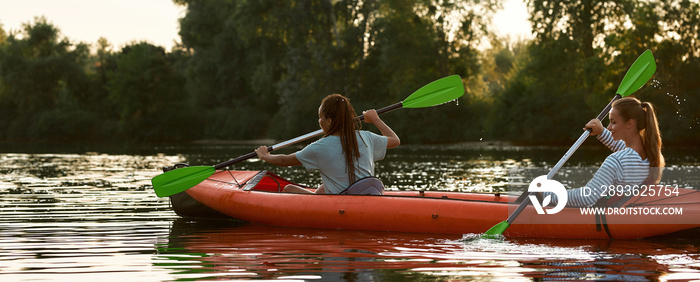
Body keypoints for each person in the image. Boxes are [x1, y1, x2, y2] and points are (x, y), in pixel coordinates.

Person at [254, 94, 400, 194]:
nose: (319, 121)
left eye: (320, 117)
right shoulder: (366, 137)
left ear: (329, 121)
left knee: (288, 189)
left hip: (344, 202)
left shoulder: (319, 147)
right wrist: (375, 119)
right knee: (323, 188)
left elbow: (284, 160)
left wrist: (265, 156)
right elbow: (395, 140)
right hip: (367, 193)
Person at [549, 97, 665, 207]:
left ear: (630, 123)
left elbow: (586, 197)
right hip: (626, 213)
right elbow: (623, 149)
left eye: (613, 122)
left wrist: (548, 194)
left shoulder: (616, 161)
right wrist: (601, 131)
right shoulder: (650, 155)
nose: (609, 127)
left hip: (610, 216)